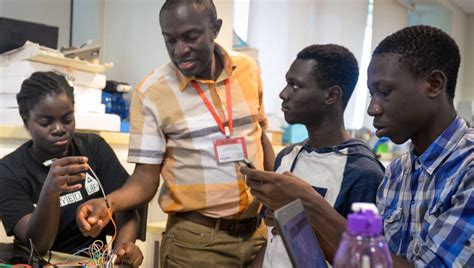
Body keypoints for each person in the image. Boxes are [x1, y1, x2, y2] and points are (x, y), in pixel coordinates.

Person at [241, 25, 473, 267]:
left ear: (434, 84)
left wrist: (309, 204)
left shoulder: (468, 171)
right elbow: (364, 260)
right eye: (372, 94)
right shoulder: (397, 173)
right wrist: (295, 221)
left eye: (384, 92)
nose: (373, 108)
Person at [77, 0, 275, 266]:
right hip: (198, 243)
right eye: (170, 41)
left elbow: (261, 138)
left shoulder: (248, 69)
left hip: (258, 233)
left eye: (190, 37)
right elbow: (145, 178)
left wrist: (278, 203)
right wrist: (108, 204)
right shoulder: (152, 92)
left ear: (215, 29)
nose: (180, 50)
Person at [254, 44, 384, 268]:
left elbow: (364, 260)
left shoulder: (364, 173)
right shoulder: (286, 157)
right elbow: (274, 241)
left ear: (331, 95)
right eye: (287, 83)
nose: (283, 94)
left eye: (295, 85)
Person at [0, 72, 143, 267]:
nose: (59, 128)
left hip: (94, 262)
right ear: (26, 120)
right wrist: (50, 191)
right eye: (45, 123)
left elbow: (128, 209)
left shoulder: (94, 148)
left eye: (67, 119)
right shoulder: (9, 170)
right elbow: (38, 244)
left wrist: (119, 254)